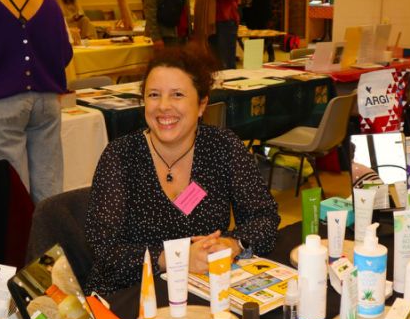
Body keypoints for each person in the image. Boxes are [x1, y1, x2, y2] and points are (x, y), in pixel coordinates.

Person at [85, 45, 280, 295]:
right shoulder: (120, 156)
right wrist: (177, 258)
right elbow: (103, 251)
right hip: (130, 294)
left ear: (201, 105)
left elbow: (264, 216)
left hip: (200, 289)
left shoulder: (222, 147)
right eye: (154, 95)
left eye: (177, 95)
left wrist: (232, 244)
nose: (164, 106)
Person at [0, 0, 72, 204]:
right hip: (47, 104)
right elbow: (65, 54)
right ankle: (51, 233)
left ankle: (20, 236)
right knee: (50, 189)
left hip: (0, 105)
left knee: (11, 195)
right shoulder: (47, 0)